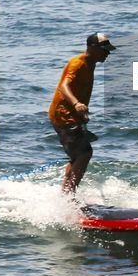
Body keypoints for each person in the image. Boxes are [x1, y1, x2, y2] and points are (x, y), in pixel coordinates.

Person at [48, 32, 117, 194]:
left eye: (108, 50)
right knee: (85, 153)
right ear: (92, 48)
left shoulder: (90, 63)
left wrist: (82, 114)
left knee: (77, 155)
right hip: (63, 115)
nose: (107, 53)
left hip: (71, 116)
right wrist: (77, 104)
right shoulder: (78, 63)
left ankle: (65, 194)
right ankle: (70, 196)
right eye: (104, 50)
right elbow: (64, 86)